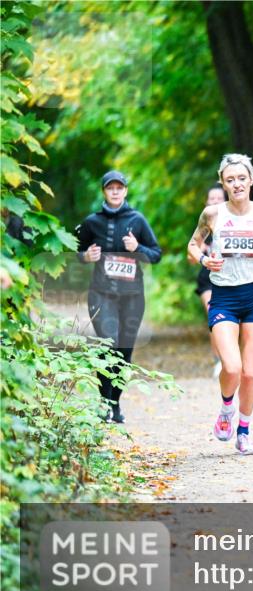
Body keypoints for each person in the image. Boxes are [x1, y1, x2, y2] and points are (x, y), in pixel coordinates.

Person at [187, 154, 253, 455]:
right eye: (230, 179)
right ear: (223, 182)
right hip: (224, 296)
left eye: (241, 178)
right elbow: (193, 245)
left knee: (250, 372)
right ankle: (225, 408)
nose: (236, 184)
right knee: (231, 367)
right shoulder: (212, 214)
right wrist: (207, 260)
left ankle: (244, 432)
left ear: (251, 181)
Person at [77, 170, 162, 424]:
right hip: (101, 294)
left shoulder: (137, 220)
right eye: (110, 188)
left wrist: (138, 249)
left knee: (124, 352)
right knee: (108, 344)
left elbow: (156, 254)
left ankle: (115, 403)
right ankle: (103, 403)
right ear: (104, 191)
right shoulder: (92, 222)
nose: (115, 192)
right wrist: (85, 257)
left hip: (132, 297)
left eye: (119, 187)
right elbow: (75, 250)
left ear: (125, 191)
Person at [190, 183, 227, 378]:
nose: (214, 202)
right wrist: (201, 253)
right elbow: (190, 255)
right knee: (215, 316)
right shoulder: (204, 225)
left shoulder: (235, 221)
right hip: (208, 280)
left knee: (232, 321)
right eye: (211, 199)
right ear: (206, 202)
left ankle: (230, 357)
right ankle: (219, 360)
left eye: (218, 198)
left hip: (230, 278)